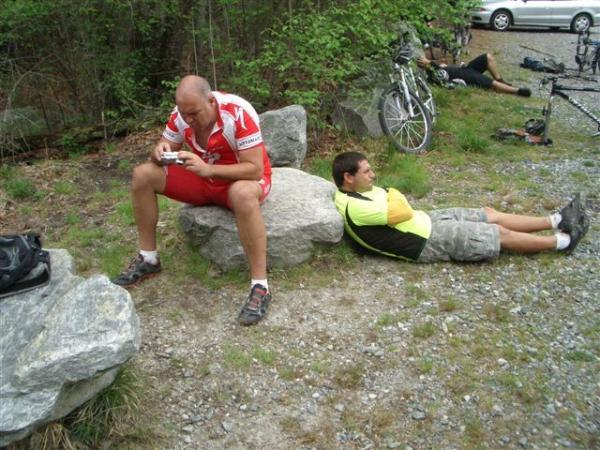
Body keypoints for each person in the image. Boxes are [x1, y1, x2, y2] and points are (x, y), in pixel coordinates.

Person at [112, 75, 272, 326]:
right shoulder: (181, 113)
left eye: (194, 113)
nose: (188, 119)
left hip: (239, 179)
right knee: (142, 175)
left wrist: (209, 170)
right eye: (184, 113)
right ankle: (148, 258)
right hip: (204, 178)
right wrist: (158, 152)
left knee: (242, 194)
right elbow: (166, 145)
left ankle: (260, 285)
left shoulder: (238, 113)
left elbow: (255, 170)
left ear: (210, 101)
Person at [332, 152, 589, 263]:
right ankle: (563, 241)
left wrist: (394, 198)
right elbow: (401, 208)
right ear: (348, 177)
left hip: (427, 220)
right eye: (367, 172)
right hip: (424, 242)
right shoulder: (354, 207)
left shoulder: (362, 190)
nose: (373, 175)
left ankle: (556, 220)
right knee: (497, 233)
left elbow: (392, 196)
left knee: (488, 214)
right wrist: (395, 198)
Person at [417, 52, 532, 97]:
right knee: (490, 83)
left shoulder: (434, 66)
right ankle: (516, 91)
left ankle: (501, 81)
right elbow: (440, 76)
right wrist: (429, 64)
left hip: (465, 68)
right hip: (463, 76)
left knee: (487, 57)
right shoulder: (431, 71)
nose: (423, 57)